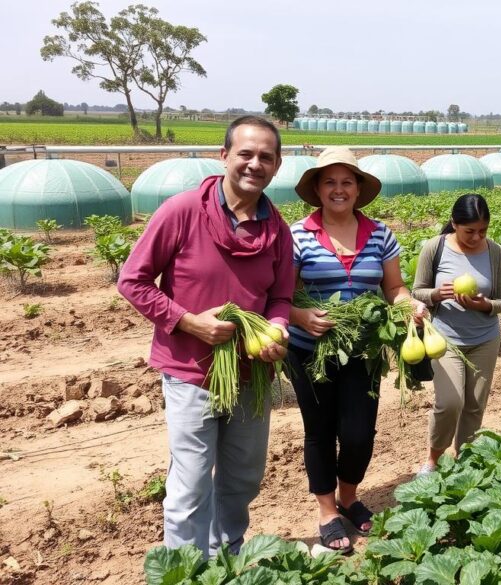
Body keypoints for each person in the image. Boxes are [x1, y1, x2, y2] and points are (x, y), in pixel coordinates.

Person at [117, 116, 294, 557]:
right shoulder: (181, 211)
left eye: (266, 157)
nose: (255, 164)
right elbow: (133, 281)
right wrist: (189, 322)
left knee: (242, 478)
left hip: (252, 374)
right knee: (192, 481)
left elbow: (280, 295)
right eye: (246, 154)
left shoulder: (277, 229)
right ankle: (183, 566)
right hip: (190, 372)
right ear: (224, 156)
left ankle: (226, 557)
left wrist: (278, 328)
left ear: (276, 166)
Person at [285, 147, 425, 554]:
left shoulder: (380, 234)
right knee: (321, 430)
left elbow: (394, 287)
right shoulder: (298, 235)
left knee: (360, 432)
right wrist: (299, 315)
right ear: (317, 188)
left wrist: (409, 304)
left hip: (363, 349)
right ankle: (328, 511)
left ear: (359, 188)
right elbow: (281, 295)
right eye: (330, 181)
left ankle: (349, 495)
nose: (339, 189)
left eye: (347, 181)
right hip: (310, 350)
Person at [411, 193, 501, 475]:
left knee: (474, 405)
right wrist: (435, 295)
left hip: (485, 339)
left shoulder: (496, 253)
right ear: (454, 223)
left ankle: (465, 460)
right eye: (470, 231)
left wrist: (486, 305)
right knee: (449, 403)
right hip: (444, 339)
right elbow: (416, 290)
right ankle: (433, 459)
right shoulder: (435, 248)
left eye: (483, 231)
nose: (476, 237)